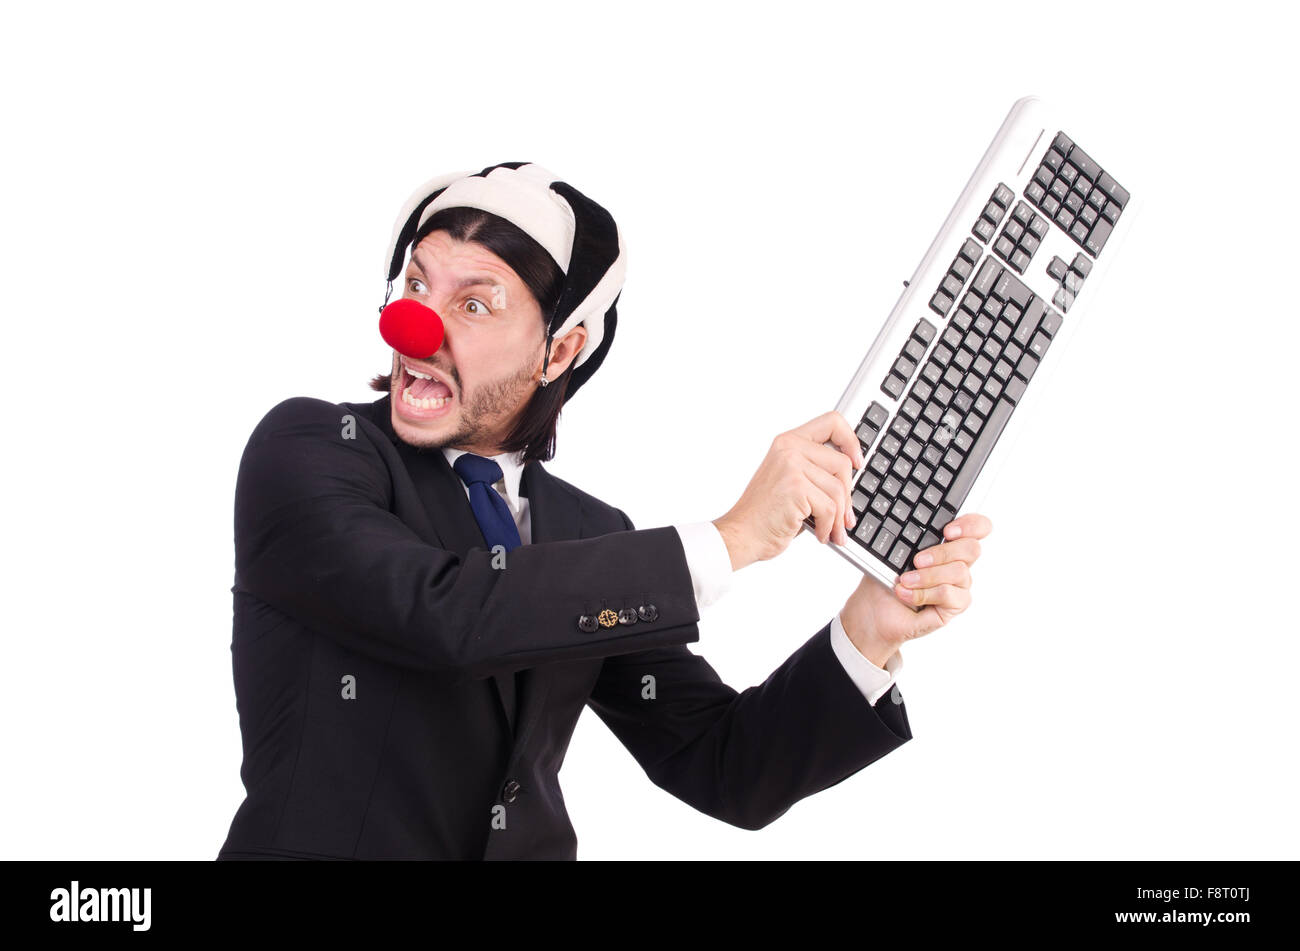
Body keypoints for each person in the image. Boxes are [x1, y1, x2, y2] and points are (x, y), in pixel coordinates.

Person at [216, 163, 993, 860]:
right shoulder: (313, 450)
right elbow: (443, 613)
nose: (416, 325)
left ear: (559, 351)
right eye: (417, 286)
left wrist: (870, 629)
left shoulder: (588, 535)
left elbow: (724, 765)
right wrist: (728, 541)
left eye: (474, 302)